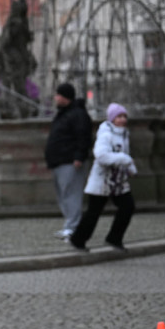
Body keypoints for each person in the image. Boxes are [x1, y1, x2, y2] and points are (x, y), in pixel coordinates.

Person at [69, 103, 137, 252]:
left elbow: (125, 155)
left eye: (124, 116)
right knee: (94, 212)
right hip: (102, 181)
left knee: (128, 207)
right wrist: (124, 160)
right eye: (119, 116)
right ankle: (78, 240)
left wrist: (130, 167)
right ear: (112, 119)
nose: (123, 120)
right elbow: (101, 155)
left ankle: (114, 238)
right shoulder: (106, 134)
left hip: (118, 181)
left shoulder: (124, 134)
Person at [44, 82, 93, 241]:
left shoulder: (77, 114)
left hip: (69, 161)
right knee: (64, 195)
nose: (55, 97)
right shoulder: (65, 113)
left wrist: (79, 156)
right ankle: (70, 225)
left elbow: (83, 136)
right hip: (60, 161)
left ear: (65, 97)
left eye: (58, 95)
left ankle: (73, 227)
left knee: (71, 195)